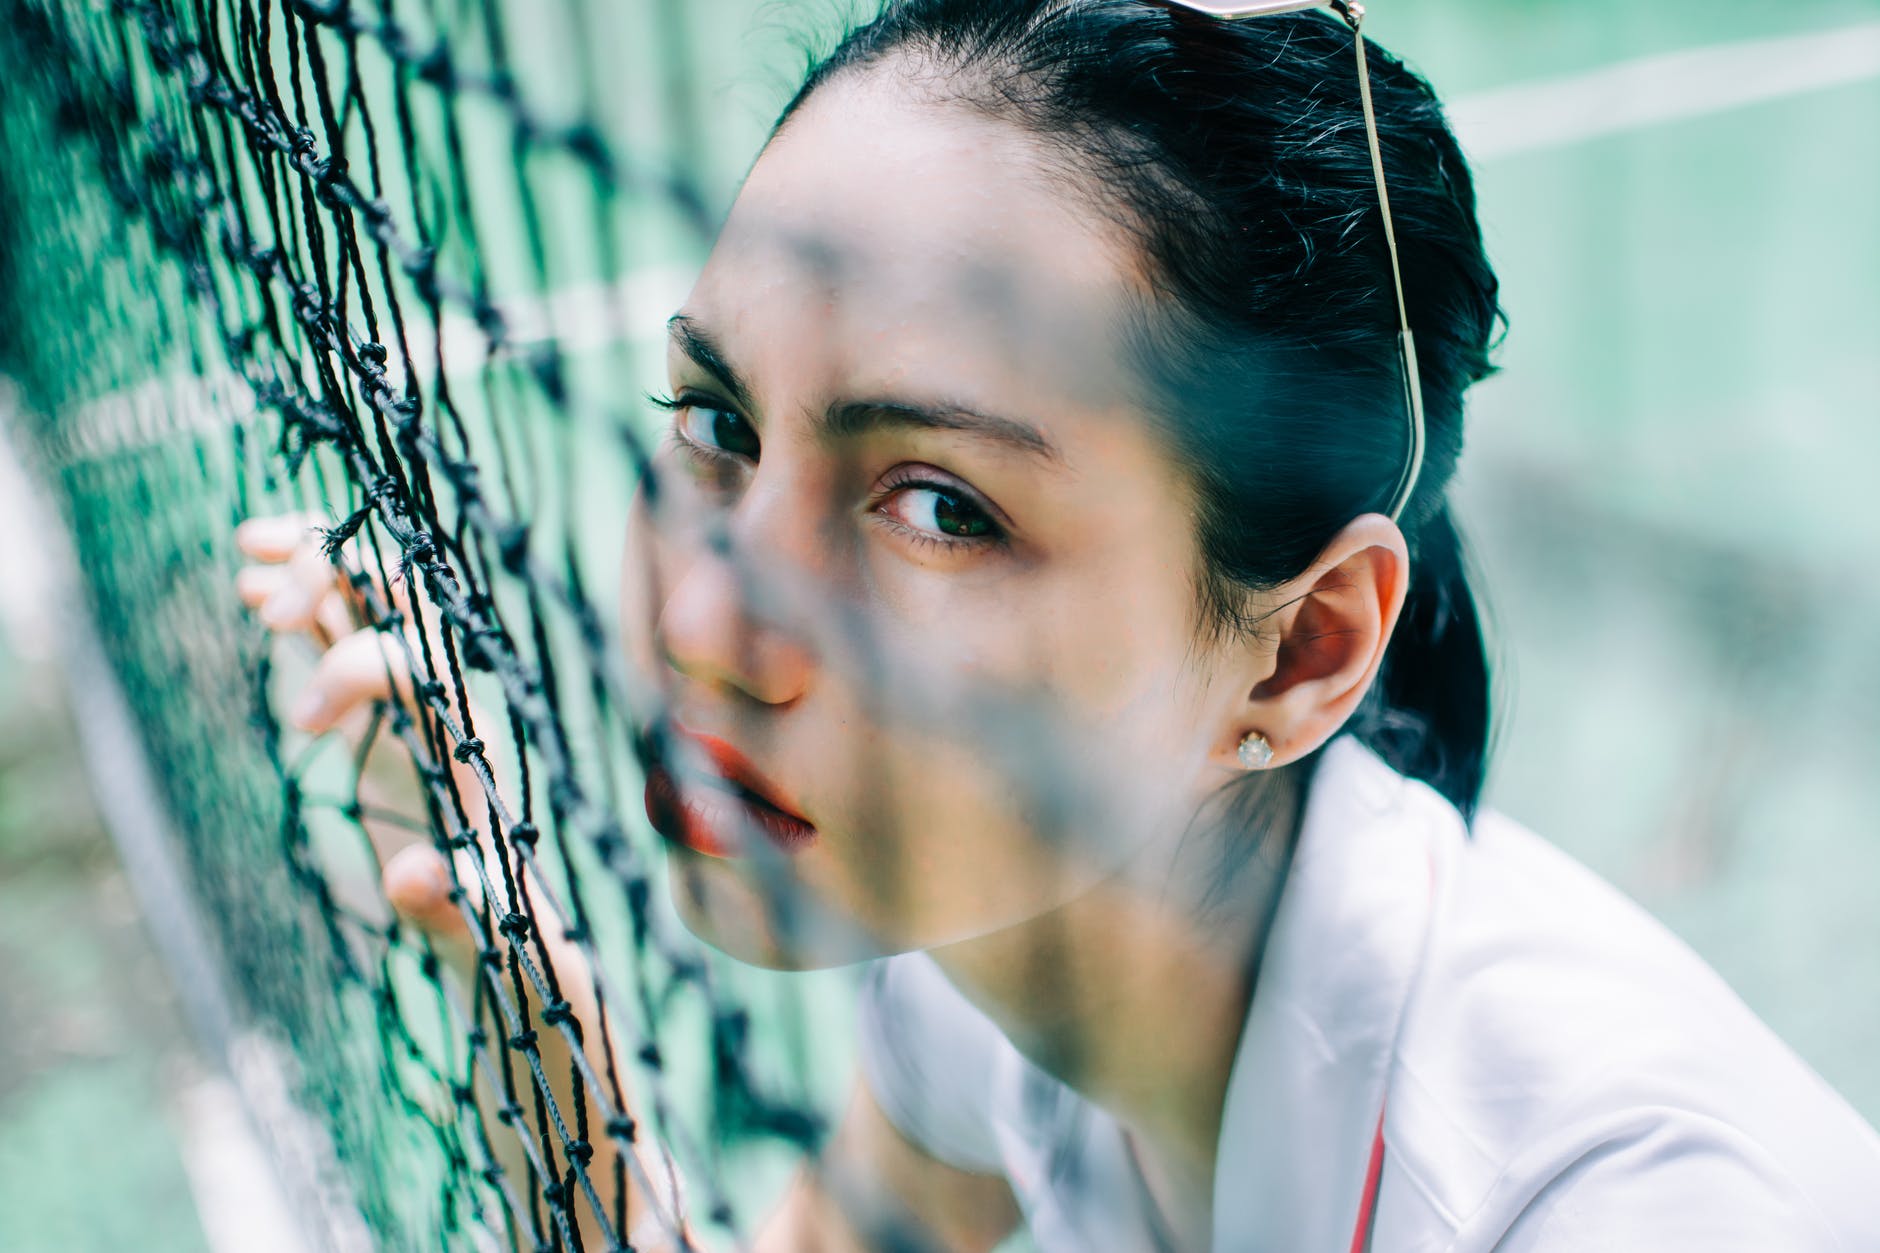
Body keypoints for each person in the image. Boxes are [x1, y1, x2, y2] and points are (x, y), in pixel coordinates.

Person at [235, 0, 1880, 1248]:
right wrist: (538, 1033)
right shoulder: (1003, 948)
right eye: (718, 423)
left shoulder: (1620, 1207)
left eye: (945, 507)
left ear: (1301, 651)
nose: (712, 621)